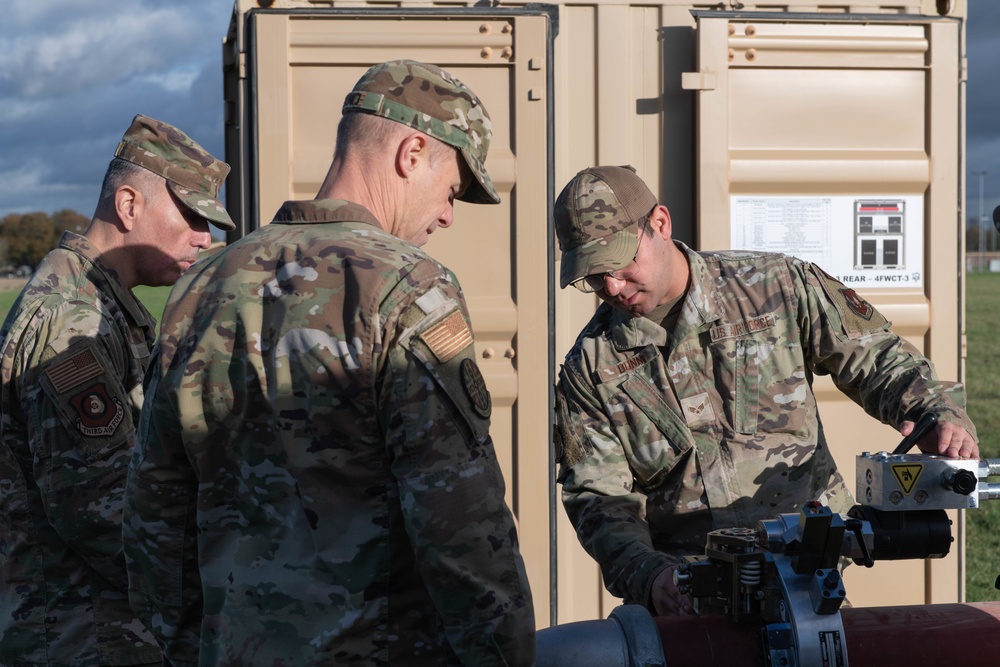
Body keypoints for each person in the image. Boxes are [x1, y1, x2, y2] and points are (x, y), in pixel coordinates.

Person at [123, 60, 535, 666]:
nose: (447, 216)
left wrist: (193, 645)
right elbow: (458, 520)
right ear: (413, 152)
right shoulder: (408, 286)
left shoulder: (204, 285)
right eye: (451, 190)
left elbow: (155, 502)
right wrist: (506, 656)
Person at [552, 164, 979, 617]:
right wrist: (648, 575)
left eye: (620, 263)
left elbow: (876, 358)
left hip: (808, 579)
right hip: (692, 601)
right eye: (594, 278)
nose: (613, 287)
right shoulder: (591, 368)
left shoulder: (773, 287)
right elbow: (599, 499)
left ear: (659, 223)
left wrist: (935, 411)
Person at [0, 114, 234, 665]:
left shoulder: (96, 303)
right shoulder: (72, 322)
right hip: (82, 633)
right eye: (193, 217)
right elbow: (102, 512)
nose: (206, 238)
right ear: (129, 205)